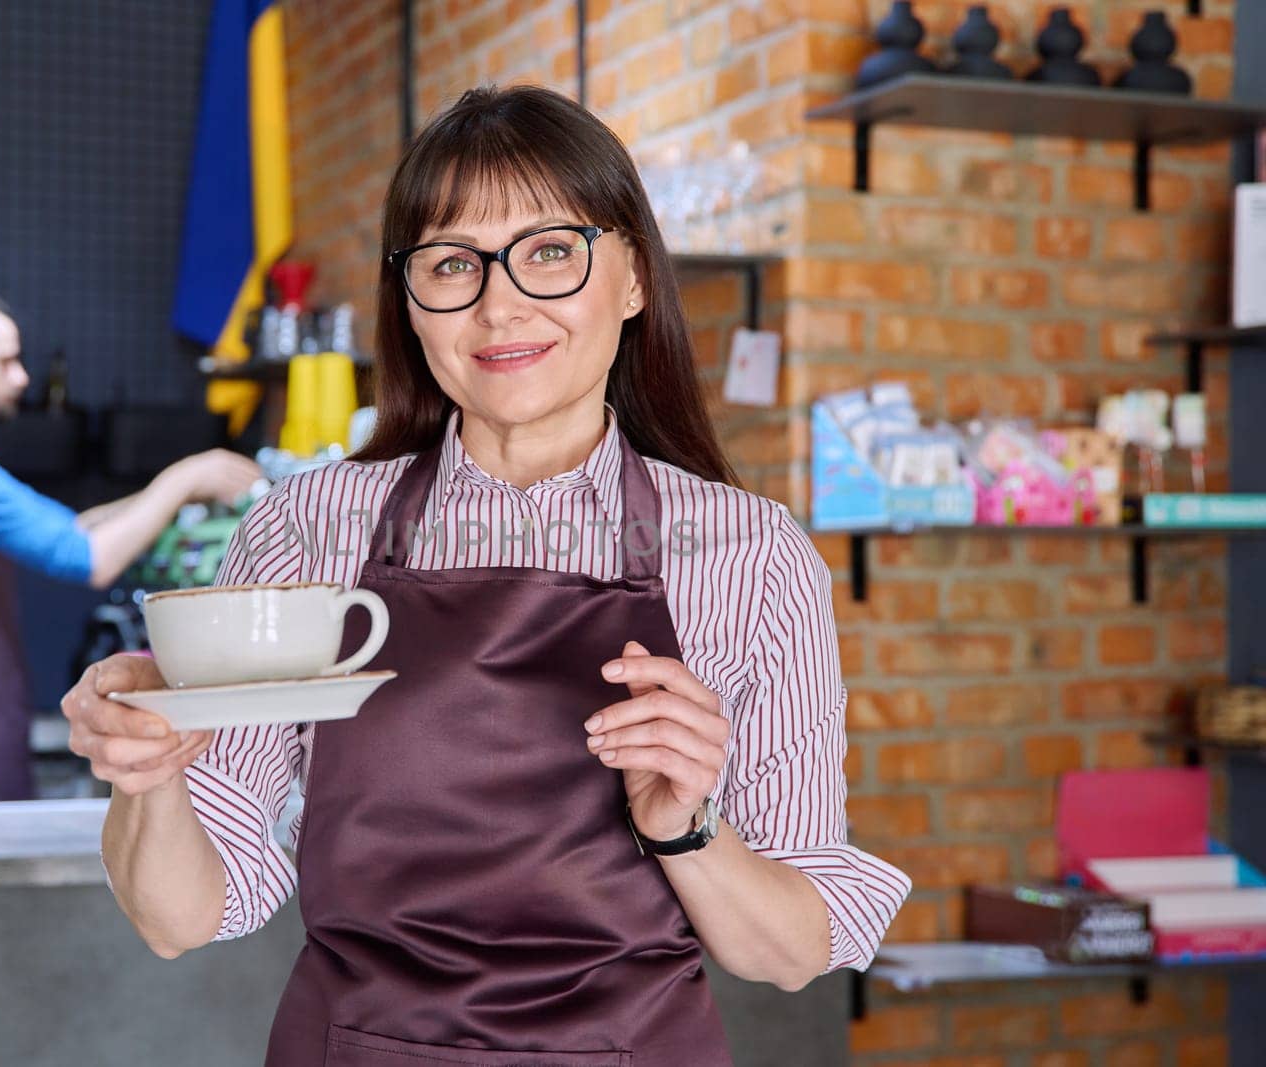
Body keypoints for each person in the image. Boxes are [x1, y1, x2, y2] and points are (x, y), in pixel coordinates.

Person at [63, 86, 911, 1064]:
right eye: (451, 263)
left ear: (632, 275)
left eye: (551, 251)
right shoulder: (309, 528)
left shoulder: (751, 555)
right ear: (411, 299)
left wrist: (686, 829)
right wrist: (149, 775)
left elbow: (791, 953)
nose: (498, 303)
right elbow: (186, 913)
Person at [0, 270, 261, 803]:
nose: (21, 378)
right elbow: (90, 558)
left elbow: (71, 529)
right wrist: (185, 478)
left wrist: (177, 493)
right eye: (5, 361)